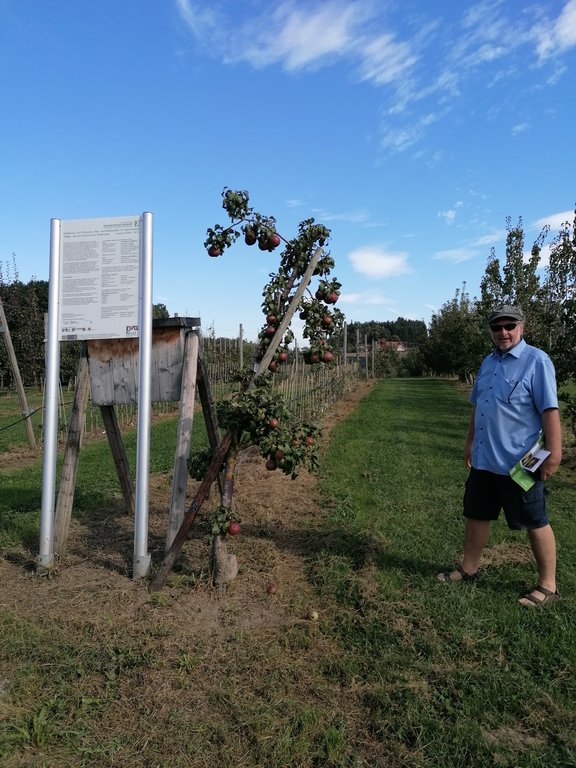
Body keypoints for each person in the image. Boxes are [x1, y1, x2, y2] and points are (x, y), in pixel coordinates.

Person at [438, 305, 563, 607]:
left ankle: (548, 585)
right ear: (491, 331)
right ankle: (469, 569)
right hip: (484, 459)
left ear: (522, 327)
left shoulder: (537, 361)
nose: (503, 332)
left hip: (521, 461)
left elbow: (549, 410)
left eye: (510, 326)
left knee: (535, 519)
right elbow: (479, 406)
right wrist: (470, 443)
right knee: (476, 513)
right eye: (497, 327)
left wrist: (555, 453)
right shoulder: (487, 363)